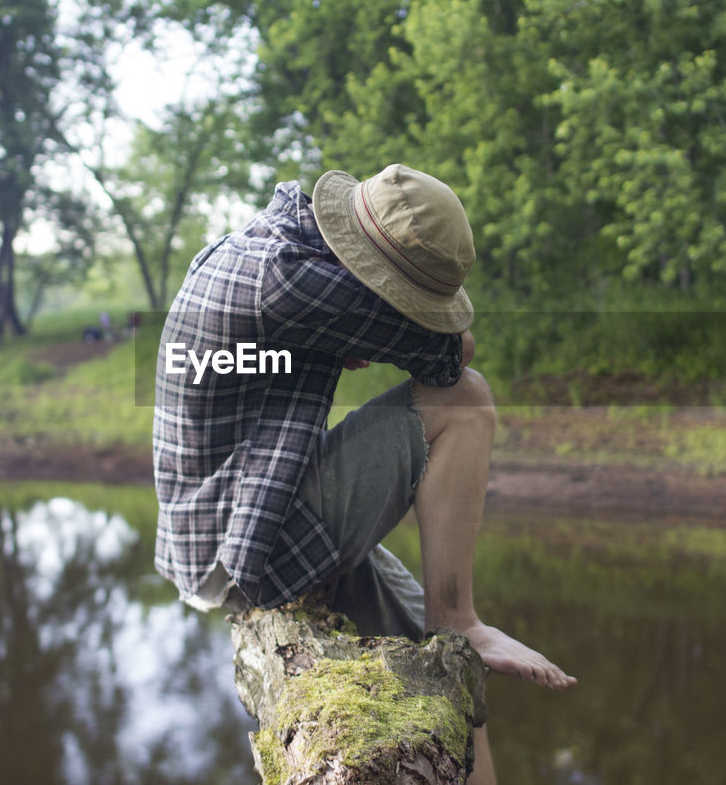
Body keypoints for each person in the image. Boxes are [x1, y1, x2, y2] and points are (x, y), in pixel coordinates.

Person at [152, 164, 575, 784]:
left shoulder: (274, 241)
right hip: (251, 541)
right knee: (467, 401)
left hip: (231, 516)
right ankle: (459, 616)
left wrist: (354, 332)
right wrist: (380, 325)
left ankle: (456, 639)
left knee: (449, 670)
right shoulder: (293, 282)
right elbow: (454, 355)